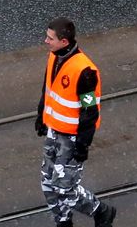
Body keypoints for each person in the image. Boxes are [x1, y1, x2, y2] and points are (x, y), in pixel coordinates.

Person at [34, 18, 116, 226]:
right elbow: (48, 88)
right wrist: (41, 115)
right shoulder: (54, 57)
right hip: (54, 130)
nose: (46, 41)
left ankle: (101, 211)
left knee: (65, 188)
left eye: (50, 38)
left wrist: (82, 145)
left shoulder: (85, 71)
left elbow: (90, 111)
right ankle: (63, 221)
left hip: (71, 137)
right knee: (48, 184)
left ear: (64, 41)